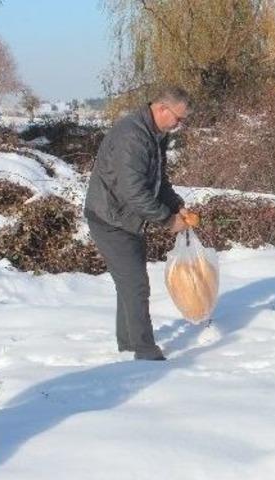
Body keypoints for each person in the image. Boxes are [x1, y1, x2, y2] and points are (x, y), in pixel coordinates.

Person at [84, 86, 195, 361]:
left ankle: (129, 344)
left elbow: (157, 181)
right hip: (110, 218)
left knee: (129, 283)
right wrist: (168, 221)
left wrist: (176, 205)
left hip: (126, 218)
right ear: (161, 109)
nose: (179, 125)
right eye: (178, 119)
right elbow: (134, 192)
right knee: (136, 285)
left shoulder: (155, 134)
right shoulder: (132, 136)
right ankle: (145, 352)